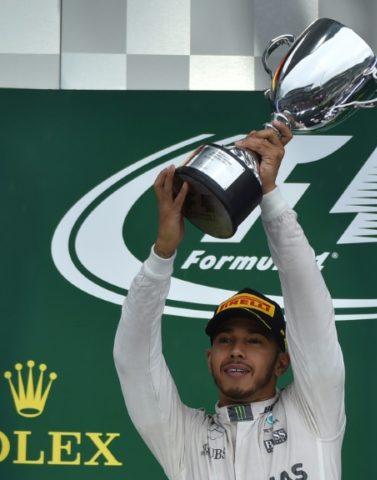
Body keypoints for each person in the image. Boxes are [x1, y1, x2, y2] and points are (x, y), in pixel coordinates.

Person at [113, 122, 346, 480]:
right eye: (226, 340)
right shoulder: (183, 438)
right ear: (210, 359)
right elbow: (133, 360)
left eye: (254, 341)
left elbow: (309, 305)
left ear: (283, 362)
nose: (236, 351)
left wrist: (268, 195)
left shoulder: (314, 412)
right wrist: (162, 254)